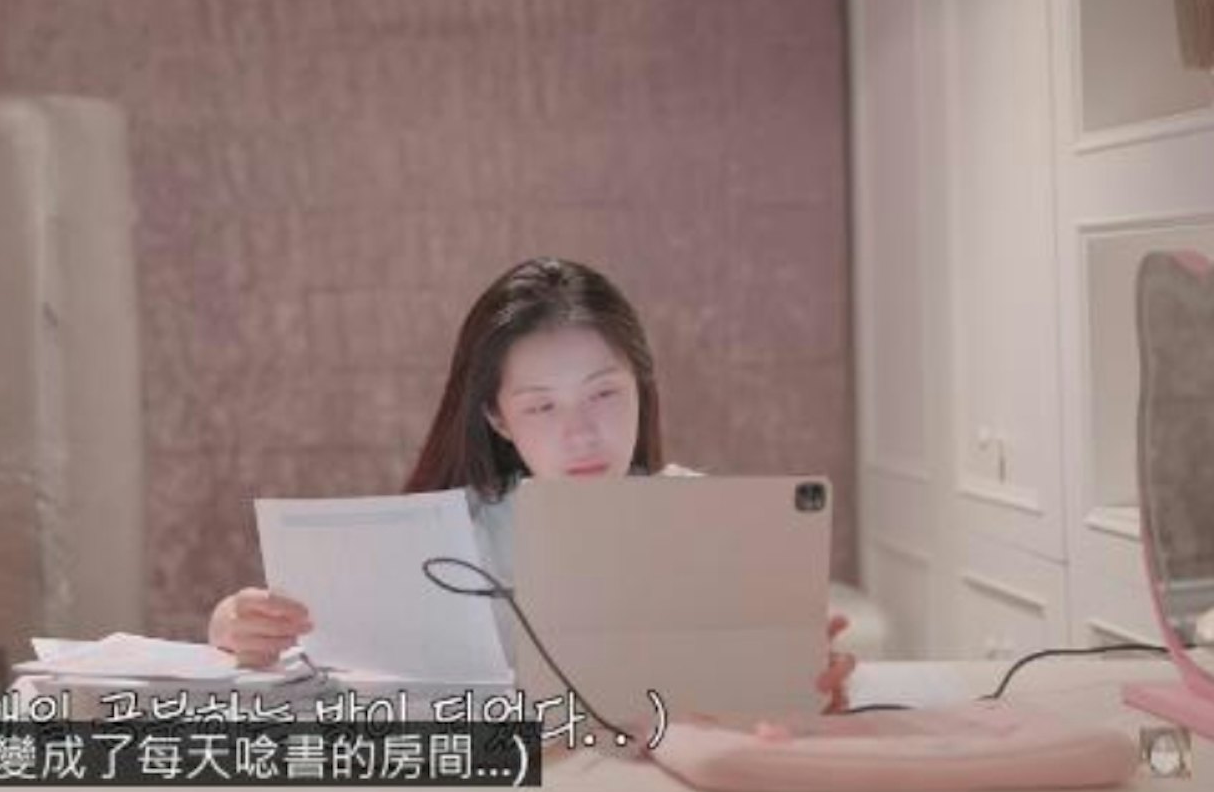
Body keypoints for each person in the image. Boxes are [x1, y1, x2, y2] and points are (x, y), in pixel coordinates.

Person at [206, 256, 857, 712]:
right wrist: (236, 625)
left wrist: (807, 685)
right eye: (543, 405)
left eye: (603, 394)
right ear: (498, 418)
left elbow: (771, 706)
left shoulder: (709, 517)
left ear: (641, 385)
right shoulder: (449, 534)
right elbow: (325, 657)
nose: (581, 433)